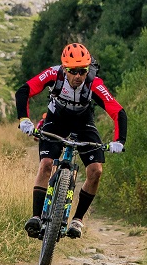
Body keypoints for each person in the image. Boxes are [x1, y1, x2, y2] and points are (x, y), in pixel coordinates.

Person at [15, 43, 127, 239]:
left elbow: (118, 111)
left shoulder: (94, 83)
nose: (78, 76)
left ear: (88, 69)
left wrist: (119, 140)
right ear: (64, 69)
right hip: (55, 119)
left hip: (83, 123)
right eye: (72, 71)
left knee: (96, 170)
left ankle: (77, 220)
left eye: (82, 71)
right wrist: (24, 119)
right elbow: (24, 90)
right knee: (46, 164)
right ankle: (36, 217)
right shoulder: (53, 74)